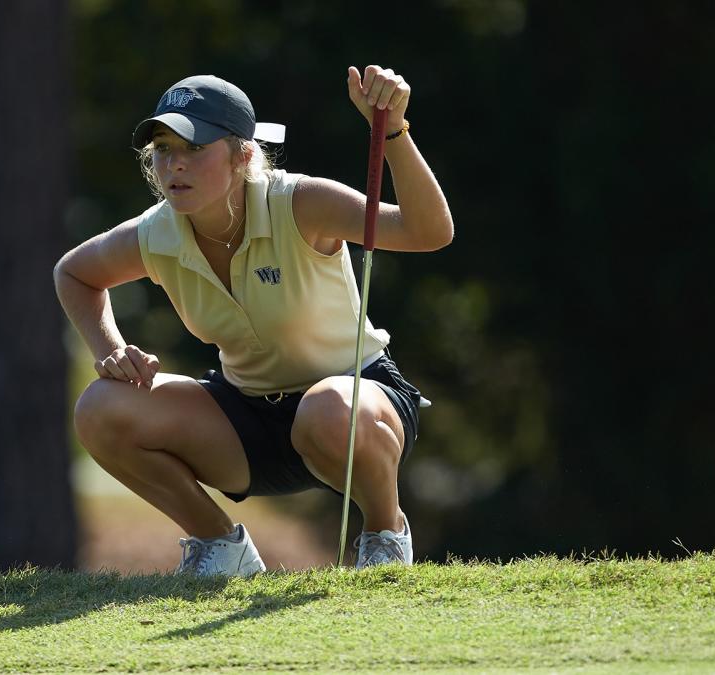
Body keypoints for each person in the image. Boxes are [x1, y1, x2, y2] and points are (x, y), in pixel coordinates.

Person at [54, 66, 453, 576]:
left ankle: (383, 534)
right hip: (245, 419)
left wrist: (393, 131)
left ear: (243, 155)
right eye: (162, 149)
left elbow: (429, 231)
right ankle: (220, 547)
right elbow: (75, 273)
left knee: (327, 408)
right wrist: (108, 347)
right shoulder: (158, 232)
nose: (174, 164)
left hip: (354, 407)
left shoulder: (300, 203)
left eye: (194, 148)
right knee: (100, 407)